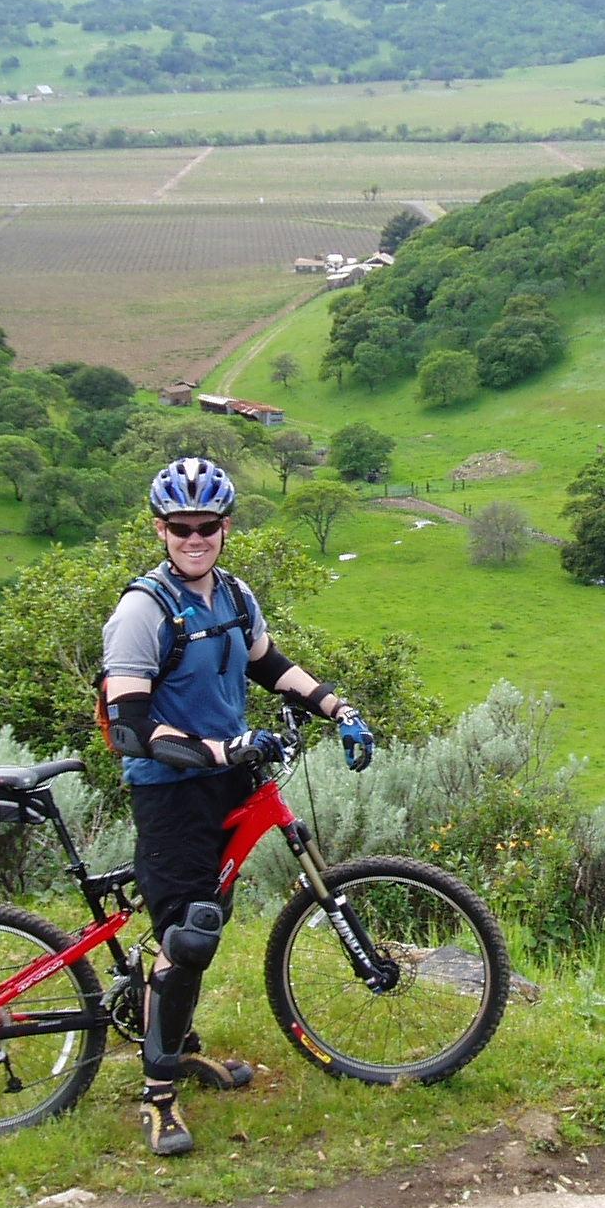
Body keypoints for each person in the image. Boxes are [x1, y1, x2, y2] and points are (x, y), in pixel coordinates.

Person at [97, 455, 376, 1157]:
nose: (195, 539)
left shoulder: (232, 595)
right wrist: (222, 750)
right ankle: (158, 1096)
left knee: (204, 921)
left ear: (226, 527)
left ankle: (180, 1044)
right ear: (160, 529)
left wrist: (337, 707)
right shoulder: (143, 610)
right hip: (170, 790)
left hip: (229, 778)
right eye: (180, 527)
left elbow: (269, 663)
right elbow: (129, 727)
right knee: (188, 933)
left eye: (208, 526)